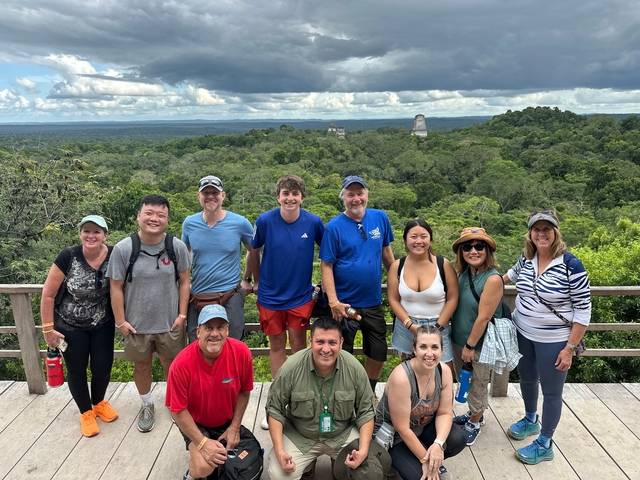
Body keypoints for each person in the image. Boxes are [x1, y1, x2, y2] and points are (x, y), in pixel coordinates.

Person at [503, 211, 591, 465]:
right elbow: (511, 274)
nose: (542, 233)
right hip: (523, 331)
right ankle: (531, 419)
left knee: (552, 392)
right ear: (530, 233)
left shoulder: (571, 265)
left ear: (555, 232)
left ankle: (545, 443)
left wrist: (569, 348)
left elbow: (583, 311)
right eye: (537, 229)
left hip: (554, 339)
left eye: (547, 229)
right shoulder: (527, 258)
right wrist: (489, 281)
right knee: (528, 379)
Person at [107, 194, 191, 434]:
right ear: (139, 216)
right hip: (136, 324)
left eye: (161, 215)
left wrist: (182, 316)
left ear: (167, 218)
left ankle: (174, 404)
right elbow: (115, 287)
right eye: (149, 213)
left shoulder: (176, 247)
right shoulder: (124, 248)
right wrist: (120, 321)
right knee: (141, 365)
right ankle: (146, 404)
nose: (155, 219)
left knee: (172, 365)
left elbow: (185, 282)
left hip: (170, 323)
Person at [248, 174, 324, 430]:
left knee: (300, 349)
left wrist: (328, 284)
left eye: (295, 193)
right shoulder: (265, 221)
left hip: (301, 296)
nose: (290, 198)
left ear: (302, 197)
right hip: (270, 296)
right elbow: (254, 251)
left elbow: (327, 255)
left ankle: (300, 402)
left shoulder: (313, 222)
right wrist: (254, 280)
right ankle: (278, 404)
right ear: (278, 196)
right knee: (277, 346)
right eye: (285, 193)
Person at [265, 316, 376, 480]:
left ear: (341, 342)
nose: (326, 349)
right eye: (320, 342)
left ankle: (338, 466)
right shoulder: (291, 368)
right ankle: (307, 467)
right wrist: (280, 451)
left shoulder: (354, 368)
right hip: (299, 435)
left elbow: (366, 411)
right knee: (280, 475)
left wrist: (364, 450)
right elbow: (274, 409)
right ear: (310, 341)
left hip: (341, 434)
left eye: (332, 342)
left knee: (370, 473)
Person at [40, 215, 118, 438]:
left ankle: (99, 403)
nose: (91, 235)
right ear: (80, 234)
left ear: (105, 235)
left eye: (96, 231)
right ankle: (86, 412)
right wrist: (48, 329)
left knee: (103, 367)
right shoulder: (69, 256)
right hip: (70, 326)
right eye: (86, 231)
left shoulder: (114, 255)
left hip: (102, 323)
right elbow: (48, 295)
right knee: (77, 370)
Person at [319, 175, 394, 395]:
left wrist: (401, 283)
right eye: (350, 194)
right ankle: (344, 393)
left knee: (378, 350)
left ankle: (368, 392)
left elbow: (387, 254)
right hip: (345, 305)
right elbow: (326, 266)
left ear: (366, 194)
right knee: (343, 351)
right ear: (343, 197)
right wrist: (333, 301)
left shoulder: (380, 218)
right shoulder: (334, 227)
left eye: (360, 193)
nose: (356, 199)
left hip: (372, 302)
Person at [166, 304, 257, 480]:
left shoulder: (241, 352)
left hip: (226, 420)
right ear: (198, 331)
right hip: (195, 422)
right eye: (209, 328)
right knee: (204, 466)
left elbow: (245, 391)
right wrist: (202, 443)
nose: (215, 333)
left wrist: (235, 427)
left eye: (220, 327)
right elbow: (177, 410)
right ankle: (190, 474)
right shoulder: (181, 364)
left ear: (227, 330)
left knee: (246, 459)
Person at [374, 326, 466, 480]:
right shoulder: (401, 378)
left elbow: (444, 412)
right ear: (414, 350)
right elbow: (402, 428)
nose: (429, 353)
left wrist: (438, 444)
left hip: (422, 427)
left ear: (442, 351)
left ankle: (431, 457)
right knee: (419, 477)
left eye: (435, 347)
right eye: (423, 347)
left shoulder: (444, 372)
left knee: (457, 439)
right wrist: (425, 459)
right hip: (395, 437)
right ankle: (397, 466)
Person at [182, 175, 254, 342]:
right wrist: (185, 281)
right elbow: (185, 254)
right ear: (198, 196)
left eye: (215, 192)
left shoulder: (240, 223)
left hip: (230, 293)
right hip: (198, 295)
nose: (210, 196)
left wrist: (247, 279)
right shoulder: (189, 223)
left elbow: (253, 251)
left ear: (223, 195)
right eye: (205, 192)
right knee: (197, 345)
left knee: (233, 344)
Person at [449, 227, 504, 447]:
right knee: (465, 380)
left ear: (488, 250)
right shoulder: (464, 274)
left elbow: (483, 318)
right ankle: (474, 413)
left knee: (478, 382)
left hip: (477, 343)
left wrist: (470, 345)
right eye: (467, 247)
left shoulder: (492, 279)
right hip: (458, 339)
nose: (473, 251)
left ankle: (475, 421)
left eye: (479, 246)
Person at [388, 219, 458, 371]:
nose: (418, 241)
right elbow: (393, 299)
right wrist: (410, 325)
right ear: (405, 240)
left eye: (423, 236)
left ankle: (442, 395)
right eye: (413, 236)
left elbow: (453, 298)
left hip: (439, 323)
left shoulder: (443, 264)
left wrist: (438, 326)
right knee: (409, 370)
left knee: (443, 368)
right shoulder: (397, 266)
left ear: (430, 239)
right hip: (407, 324)